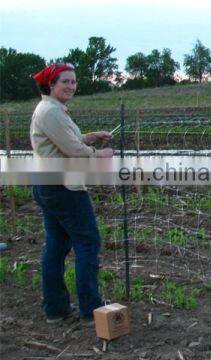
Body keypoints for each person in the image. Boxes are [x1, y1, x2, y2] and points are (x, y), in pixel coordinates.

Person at [31, 63, 113, 324]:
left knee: (56, 245)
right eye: (65, 82)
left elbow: (69, 140)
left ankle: (55, 309)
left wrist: (90, 136)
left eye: (74, 82)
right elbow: (74, 151)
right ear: (51, 85)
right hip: (64, 187)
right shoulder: (51, 112)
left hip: (49, 184)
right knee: (88, 243)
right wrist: (100, 154)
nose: (71, 86)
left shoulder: (52, 110)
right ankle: (91, 309)